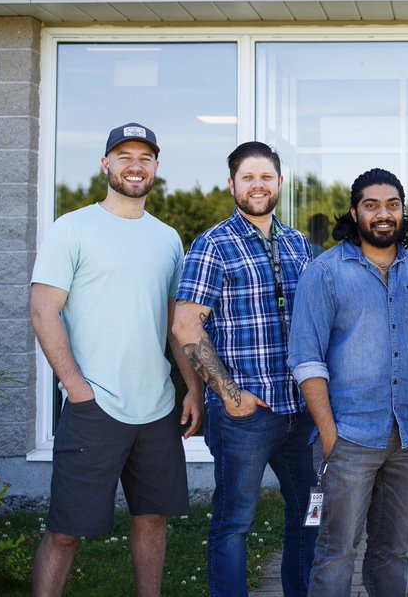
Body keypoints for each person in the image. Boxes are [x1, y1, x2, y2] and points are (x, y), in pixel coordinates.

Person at [30, 122, 201, 597]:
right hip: (94, 406)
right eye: (124, 156)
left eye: (145, 158)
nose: (135, 166)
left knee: (153, 519)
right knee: (66, 531)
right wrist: (77, 389)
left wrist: (193, 388)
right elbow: (43, 311)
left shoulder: (168, 238)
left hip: (157, 407)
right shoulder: (73, 228)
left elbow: (175, 322)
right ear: (106, 164)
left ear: (156, 168)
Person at [289, 168, 408, 597]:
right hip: (349, 438)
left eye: (392, 205)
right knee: (336, 552)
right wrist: (329, 436)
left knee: (392, 551)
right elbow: (306, 361)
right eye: (371, 205)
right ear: (355, 211)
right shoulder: (324, 272)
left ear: (403, 211)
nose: (383, 214)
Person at [172, 141, 318, 597]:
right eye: (248, 177)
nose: (258, 185)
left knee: (311, 513)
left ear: (280, 182)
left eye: (266, 177)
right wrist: (230, 395)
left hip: (300, 412)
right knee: (234, 522)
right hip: (245, 415)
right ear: (232, 184)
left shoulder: (298, 244)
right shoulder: (213, 244)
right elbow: (185, 324)